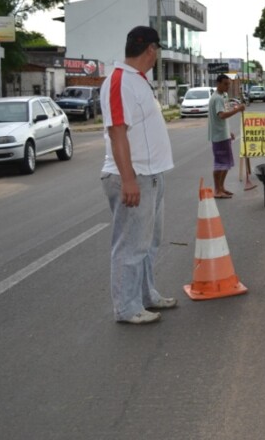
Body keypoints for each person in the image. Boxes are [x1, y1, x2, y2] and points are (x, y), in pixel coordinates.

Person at [100, 26, 176, 325]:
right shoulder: (119, 81)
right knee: (130, 246)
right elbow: (117, 131)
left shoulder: (138, 81)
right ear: (151, 50)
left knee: (148, 243)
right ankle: (126, 307)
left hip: (151, 174)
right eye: (157, 50)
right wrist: (129, 178)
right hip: (134, 177)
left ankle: (145, 295)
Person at [208, 73, 245, 199]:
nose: (228, 86)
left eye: (228, 84)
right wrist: (238, 110)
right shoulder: (217, 98)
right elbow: (222, 115)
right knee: (220, 164)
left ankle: (221, 187)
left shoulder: (223, 95)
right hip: (218, 137)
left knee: (226, 163)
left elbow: (222, 120)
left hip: (224, 135)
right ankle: (217, 190)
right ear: (218, 84)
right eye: (225, 84)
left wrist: (228, 132)